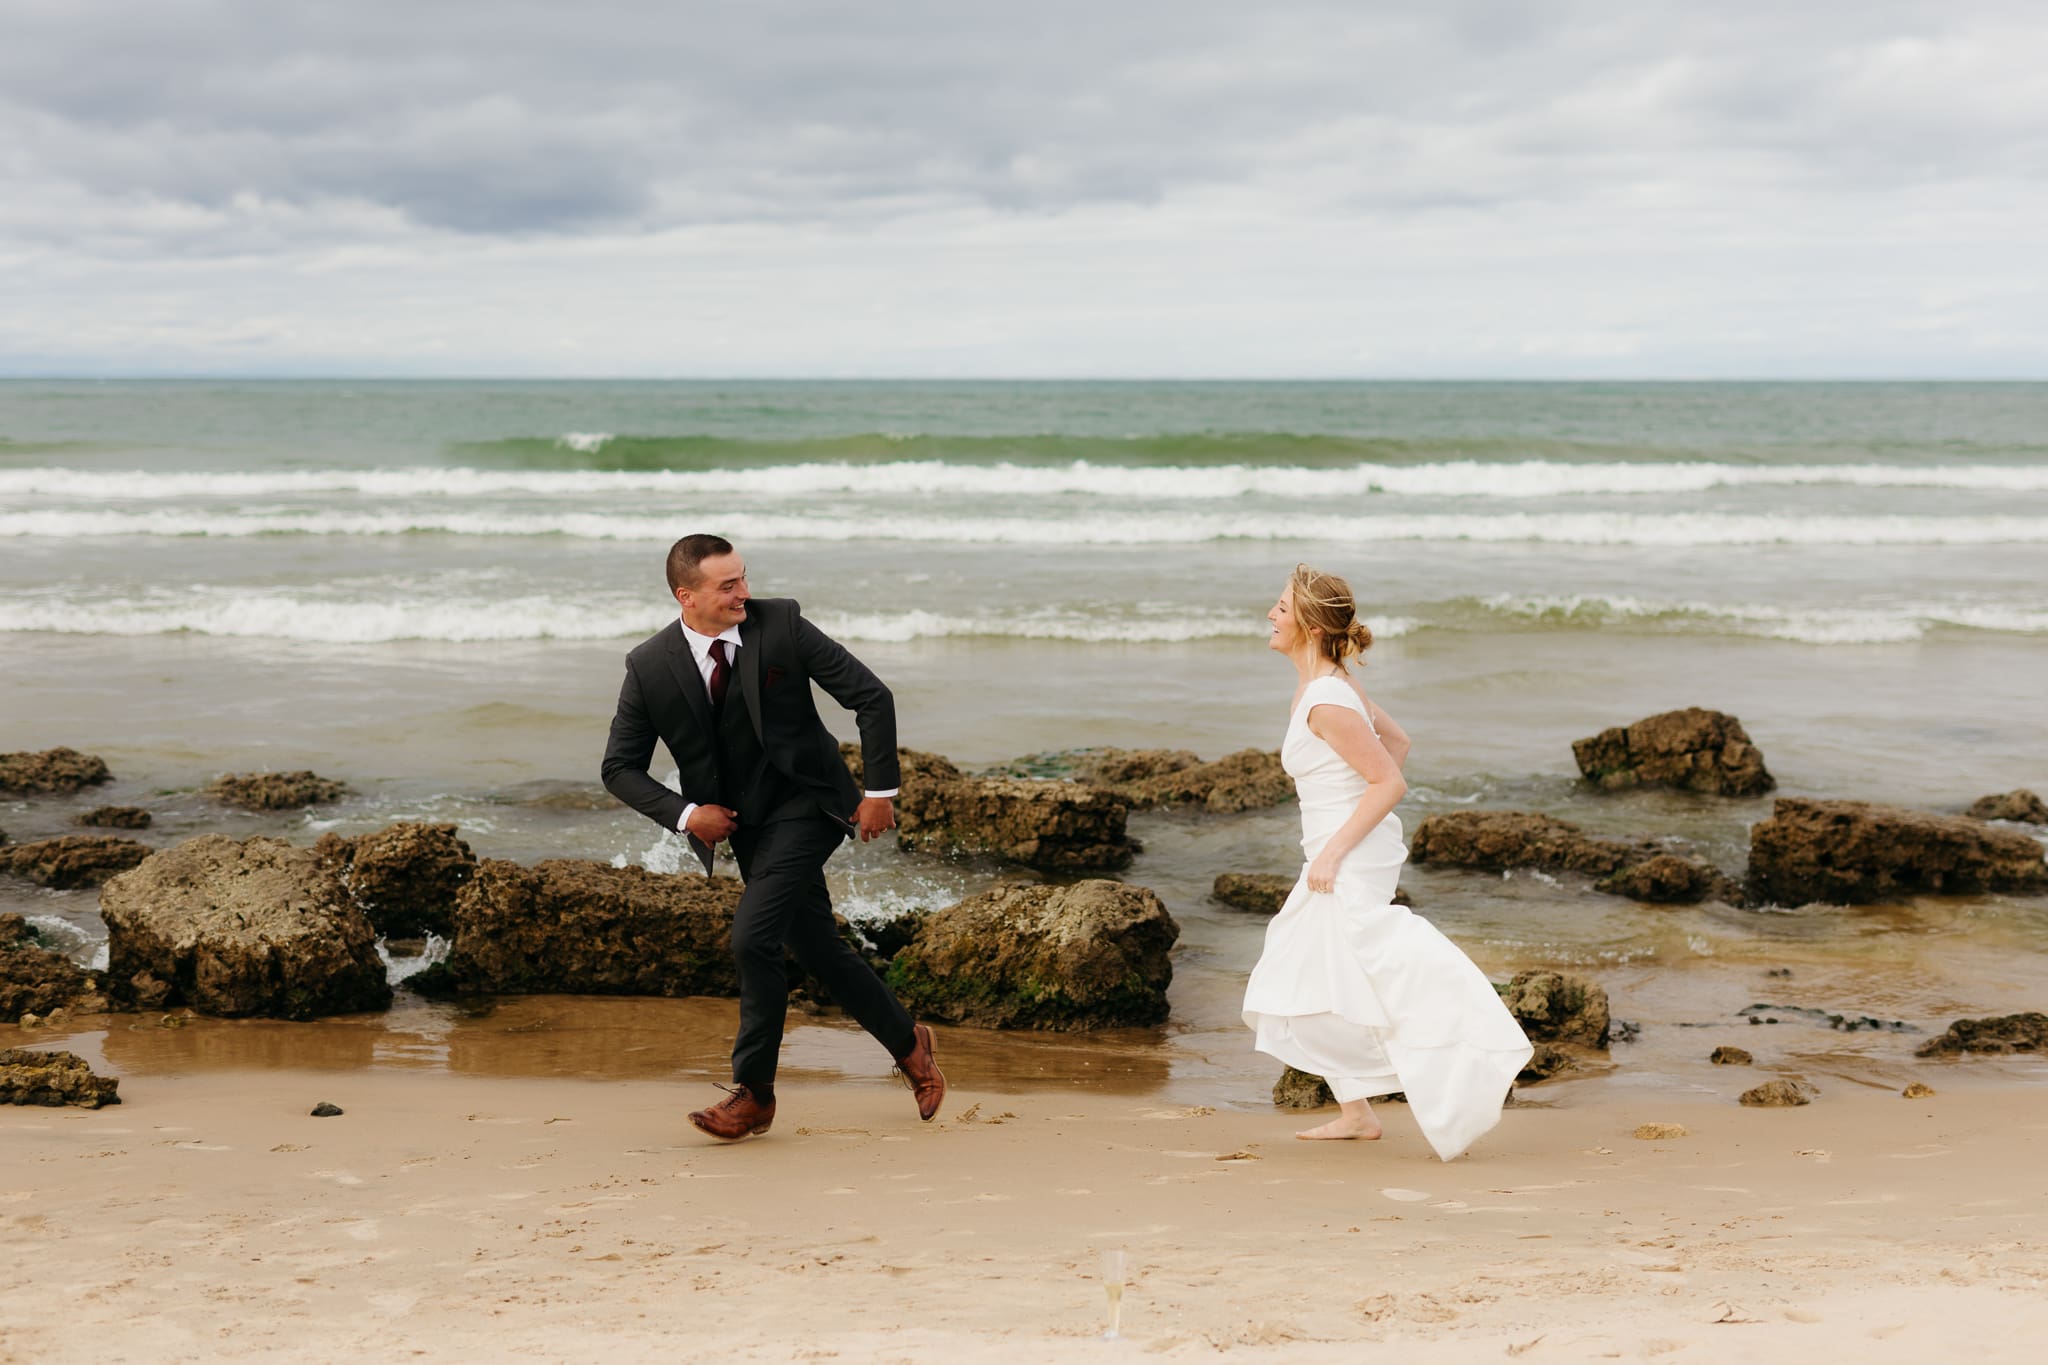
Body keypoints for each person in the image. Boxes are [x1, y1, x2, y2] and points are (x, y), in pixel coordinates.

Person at [601, 534, 945, 1140]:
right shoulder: (650, 666)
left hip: (809, 808)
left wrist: (879, 794)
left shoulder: (780, 625)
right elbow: (619, 768)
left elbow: (871, 697)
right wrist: (687, 815)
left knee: (750, 941)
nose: (744, 593)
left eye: (744, 578)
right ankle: (910, 1044)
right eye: (727, 585)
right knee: (817, 950)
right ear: (687, 595)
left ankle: (754, 1093)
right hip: (745, 828)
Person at [1242, 564, 1530, 1159]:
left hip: (1343, 851)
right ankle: (1357, 1113)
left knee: (1374, 954)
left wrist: (1334, 849)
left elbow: (1388, 778)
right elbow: (1397, 744)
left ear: (1311, 624)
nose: (1270, 616)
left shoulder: (1325, 699)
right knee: (1314, 968)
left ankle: (1476, 1039)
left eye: (1280, 608)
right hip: (1342, 846)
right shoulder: (1330, 688)